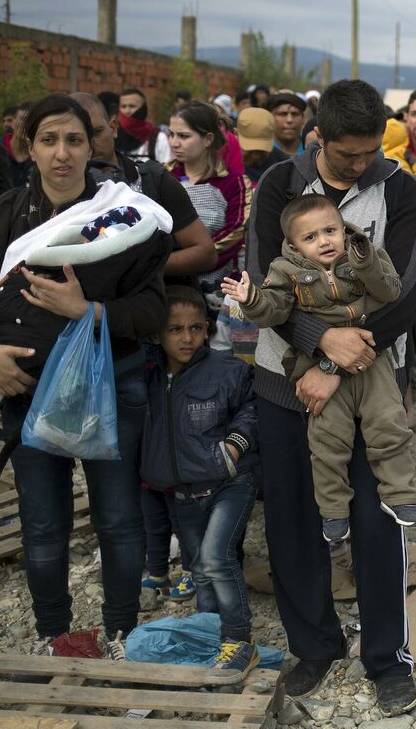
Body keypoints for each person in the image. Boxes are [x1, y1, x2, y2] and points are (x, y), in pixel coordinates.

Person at [246, 78, 416, 715]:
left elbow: (404, 292)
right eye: (349, 154)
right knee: (294, 518)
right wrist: (321, 345)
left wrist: (336, 360)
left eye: (371, 151)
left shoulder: (400, 189)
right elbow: (263, 286)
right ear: (318, 136)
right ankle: (314, 645)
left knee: (378, 518)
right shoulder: (279, 184)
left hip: (371, 379)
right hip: (285, 381)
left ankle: (387, 659)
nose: (361, 163)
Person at [0, 94, 171, 659]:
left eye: (73, 140)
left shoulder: (122, 217)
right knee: (42, 524)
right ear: (28, 147)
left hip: (113, 382)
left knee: (117, 518)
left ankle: (120, 633)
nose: (61, 154)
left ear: (93, 146)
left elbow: (152, 311)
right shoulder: (6, 215)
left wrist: (87, 310)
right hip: (28, 389)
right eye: (48, 141)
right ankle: (53, 634)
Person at [225, 194, 415, 540]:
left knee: (388, 423)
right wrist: (252, 300)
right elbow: (275, 312)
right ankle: (333, 511)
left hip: (371, 360)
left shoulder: (364, 253)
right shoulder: (285, 270)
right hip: (317, 363)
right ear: (294, 245)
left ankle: (400, 496)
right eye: (310, 237)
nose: (324, 241)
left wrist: (365, 262)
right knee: (327, 441)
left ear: (343, 229)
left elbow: (390, 291)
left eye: (330, 231)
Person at [141, 286, 260, 681]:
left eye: (196, 328)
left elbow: (251, 407)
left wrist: (235, 445)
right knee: (199, 568)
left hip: (230, 481)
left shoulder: (227, 369)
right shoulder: (148, 375)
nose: (187, 338)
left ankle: (239, 640)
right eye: (175, 329)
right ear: (158, 334)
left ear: (208, 329)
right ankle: (211, 635)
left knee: (216, 558)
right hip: (182, 492)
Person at [72, 91, 218, 280]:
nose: (89, 144)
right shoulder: (57, 190)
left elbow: (205, 253)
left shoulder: (154, 179)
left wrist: (138, 266)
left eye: (96, 132)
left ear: (113, 127)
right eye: (75, 138)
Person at [167, 102, 252, 284]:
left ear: (208, 139)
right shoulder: (162, 176)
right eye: (171, 134)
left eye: (183, 136)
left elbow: (235, 232)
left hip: (220, 284)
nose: (174, 143)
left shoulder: (235, 183)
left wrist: (191, 258)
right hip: (167, 280)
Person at [117, 87, 171, 163]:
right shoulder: (113, 137)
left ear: (143, 109)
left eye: (132, 106)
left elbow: (167, 167)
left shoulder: (158, 139)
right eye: (123, 107)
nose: (127, 111)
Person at [237, 107, 289, 185]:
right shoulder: (225, 164)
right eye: (250, 150)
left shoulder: (284, 166)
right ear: (236, 135)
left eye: (262, 150)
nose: (256, 156)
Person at [267, 92, 308, 157]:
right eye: (283, 114)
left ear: (303, 118)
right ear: (270, 117)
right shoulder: (264, 151)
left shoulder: (312, 150)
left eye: (295, 114)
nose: (289, 120)